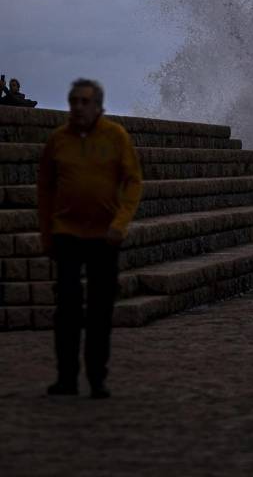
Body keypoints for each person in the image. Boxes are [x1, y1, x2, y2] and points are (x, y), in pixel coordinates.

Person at [38, 79, 143, 399]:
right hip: (67, 234)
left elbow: (133, 182)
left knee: (99, 311)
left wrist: (120, 224)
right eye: (73, 101)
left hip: (104, 237)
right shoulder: (58, 140)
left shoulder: (115, 137)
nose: (78, 107)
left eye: (84, 102)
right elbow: (46, 191)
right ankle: (66, 377)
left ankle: (97, 377)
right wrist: (47, 234)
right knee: (67, 309)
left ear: (98, 106)